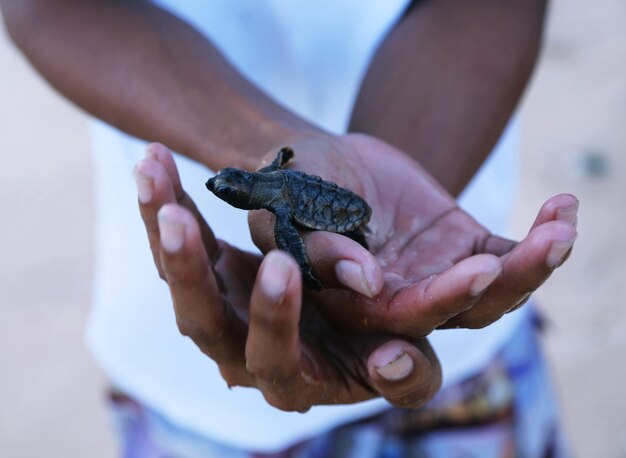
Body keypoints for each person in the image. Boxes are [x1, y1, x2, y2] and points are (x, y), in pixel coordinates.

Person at [2, 0, 577, 456]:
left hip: (442, 300)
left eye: (227, 185)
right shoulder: (274, 179)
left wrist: (339, 279)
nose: (221, 187)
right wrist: (271, 145)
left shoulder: (275, 196)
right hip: (181, 380)